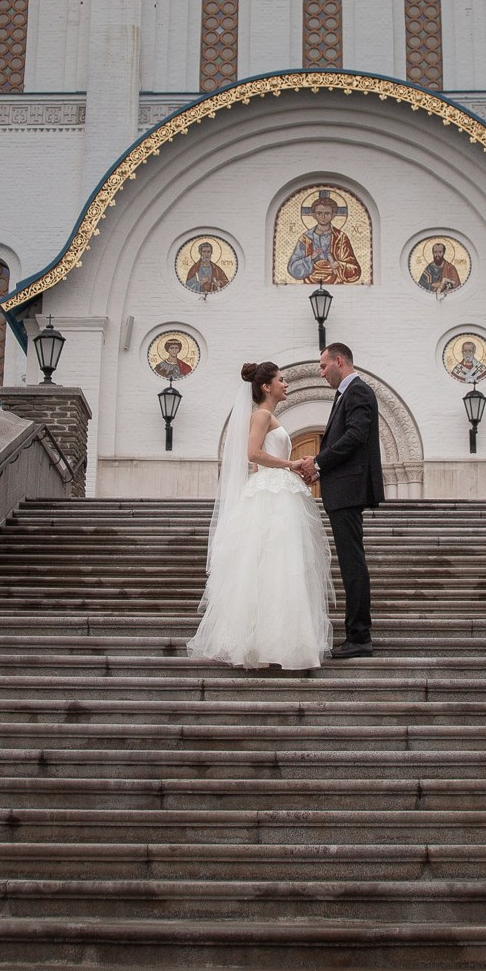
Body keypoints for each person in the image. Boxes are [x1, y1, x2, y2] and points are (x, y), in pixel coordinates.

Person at [187, 361, 331, 671]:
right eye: (281, 380)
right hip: (271, 492)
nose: (286, 384)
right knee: (273, 563)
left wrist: (285, 468)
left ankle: (276, 640)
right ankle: (265, 642)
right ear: (266, 386)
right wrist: (290, 464)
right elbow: (252, 454)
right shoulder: (262, 415)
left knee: (280, 565)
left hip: (276, 488)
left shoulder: (270, 416)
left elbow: (257, 459)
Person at [302, 341, 381, 658]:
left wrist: (319, 463)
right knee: (351, 563)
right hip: (342, 489)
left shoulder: (358, 391)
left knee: (352, 564)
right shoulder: (347, 393)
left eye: (323, 366)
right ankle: (357, 634)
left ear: (339, 361)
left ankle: (359, 637)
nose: (321, 372)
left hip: (349, 491)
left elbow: (356, 435)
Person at [285, 190, 362, 284]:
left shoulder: (340, 238)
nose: (323, 217)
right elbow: (293, 268)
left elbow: (355, 271)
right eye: (319, 213)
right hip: (310, 282)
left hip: (335, 282)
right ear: (313, 215)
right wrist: (310, 258)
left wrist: (337, 264)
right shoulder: (306, 238)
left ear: (333, 215)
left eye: (327, 213)